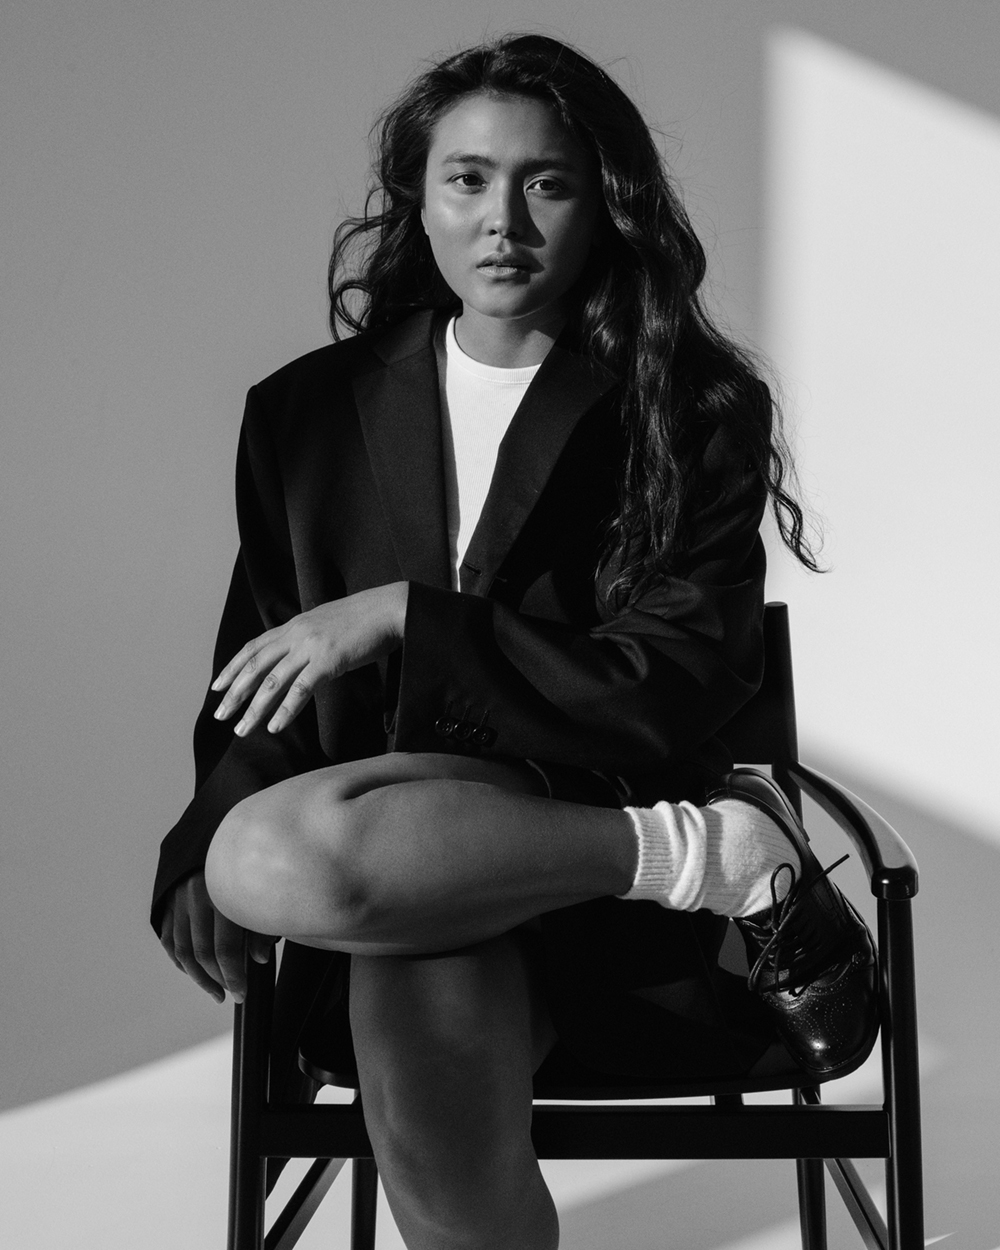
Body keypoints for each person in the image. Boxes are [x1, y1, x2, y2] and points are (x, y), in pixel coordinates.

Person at [153, 34, 876, 1250]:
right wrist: (190, 852)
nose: (504, 220)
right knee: (261, 875)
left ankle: (683, 856)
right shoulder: (305, 412)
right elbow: (262, 663)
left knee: (278, 858)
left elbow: (677, 681)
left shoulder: (685, 408)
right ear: (418, 197)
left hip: (599, 891)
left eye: (547, 183)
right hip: (404, 865)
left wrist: (408, 619)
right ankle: (712, 851)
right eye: (468, 179)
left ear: (605, 205)